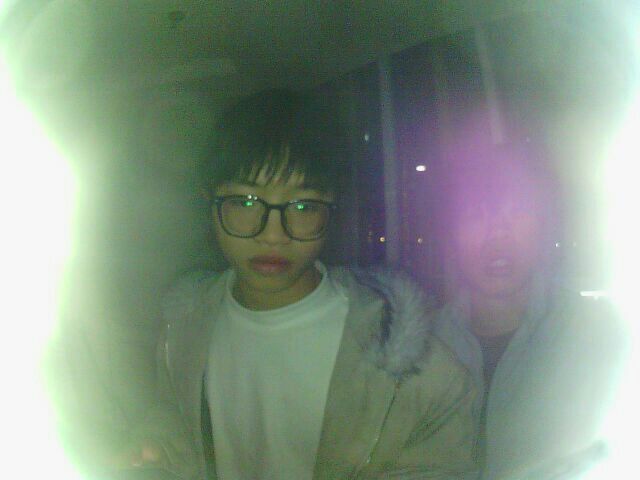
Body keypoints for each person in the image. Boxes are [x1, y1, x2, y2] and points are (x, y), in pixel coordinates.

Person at [116, 89, 478, 480]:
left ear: (332, 210)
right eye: (246, 202)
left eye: (304, 206)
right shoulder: (181, 330)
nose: (273, 235)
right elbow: (173, 431)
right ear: (210, 202)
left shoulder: (420, 371)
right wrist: (153, 447)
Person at [432, 141, 628, 479]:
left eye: (517, 211)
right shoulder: (422, 348)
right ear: (450, 234)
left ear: (543, 224)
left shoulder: (599, 336)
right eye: (476, 215)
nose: (498, 232)